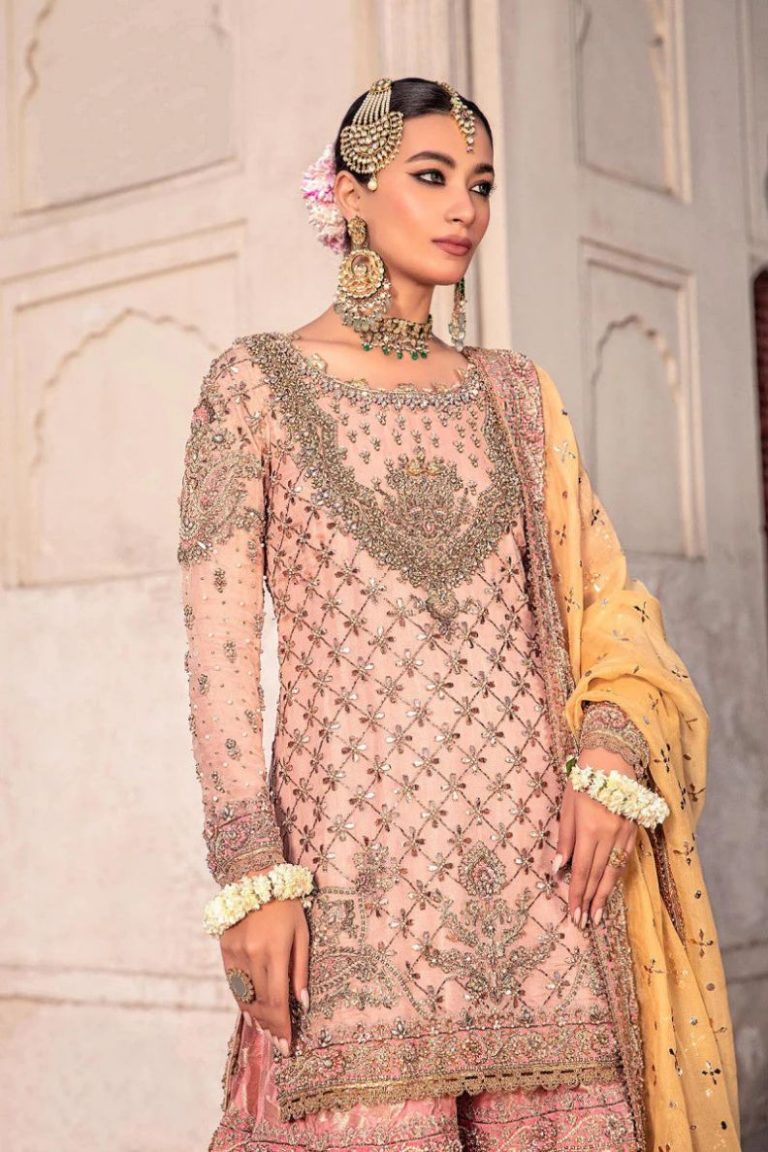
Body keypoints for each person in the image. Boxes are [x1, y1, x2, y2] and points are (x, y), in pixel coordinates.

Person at [177, 77, 741, 1152]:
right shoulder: (254, 386)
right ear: (349, 194)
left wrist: (610, 755)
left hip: (545, 886)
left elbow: (607, 600)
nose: (464, 209)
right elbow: (218, 660)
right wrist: (252, 878)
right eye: (432, 176)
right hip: (352, 884)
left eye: (480, 185)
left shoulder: (516, 395)